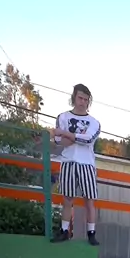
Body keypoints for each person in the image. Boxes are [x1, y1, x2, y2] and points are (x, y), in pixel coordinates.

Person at [50, 83, 101, 246]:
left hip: (87, 164)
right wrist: (73, 137)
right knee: (67, 199)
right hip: (68, 162)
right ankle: (64, 230)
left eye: (86, 99)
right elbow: (58, 141)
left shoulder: (94, 122)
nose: (82, 102)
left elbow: (88, 139)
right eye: (80, 98)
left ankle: (91, 233)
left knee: (89, 200)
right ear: (74, 97)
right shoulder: (63, 117)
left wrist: (66, 134)